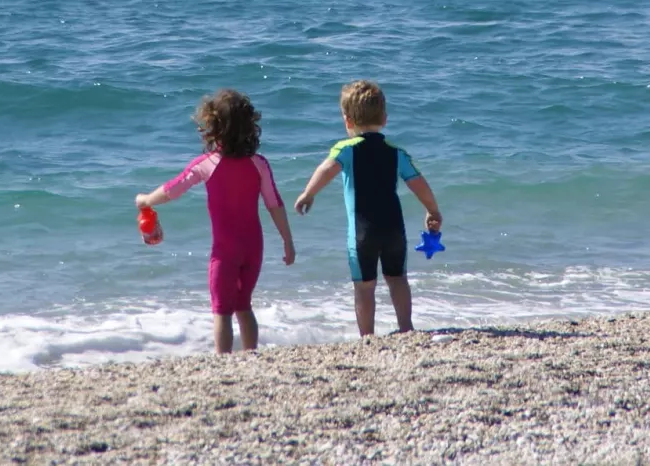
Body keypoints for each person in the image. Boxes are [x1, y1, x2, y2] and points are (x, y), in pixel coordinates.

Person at [135, 89, 295, 354]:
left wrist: (146, 200)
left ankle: (223, 363)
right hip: (253, 248)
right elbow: (274, 204)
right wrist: (288, 241)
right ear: (250, 128)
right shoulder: (259, 164)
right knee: (244, 305)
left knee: (221, 310)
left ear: (214, 129)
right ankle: (251, 355)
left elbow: (174, 189)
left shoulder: (206, 164)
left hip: (225, 252)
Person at [294, 80, 441, 336]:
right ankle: (406, 328)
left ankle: (367, 336)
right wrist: (433, 210)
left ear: (347, 121)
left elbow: (326, 169)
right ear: (384, 119)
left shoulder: (346, 149)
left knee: (364, 287)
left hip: (362, 232)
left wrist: (309, 193)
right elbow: (419, 183)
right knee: (397, 279)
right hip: (394, 228)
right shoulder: (397, 153)